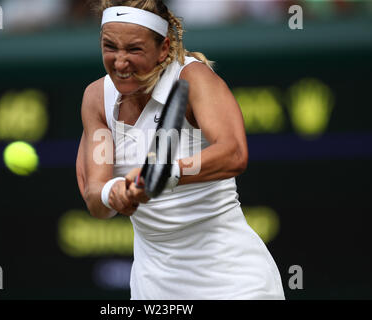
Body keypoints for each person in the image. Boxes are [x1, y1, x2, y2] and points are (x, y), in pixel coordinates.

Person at [76, 0, 285, 300]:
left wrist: (165, 174)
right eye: (110, 47)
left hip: (234, 282)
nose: (120, 62)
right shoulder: (96, 98)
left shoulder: (193, 78)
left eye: (134, 49)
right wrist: (116, 193)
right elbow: (95, 198)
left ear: (164, 48)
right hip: (154, 289)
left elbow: (234, 152)